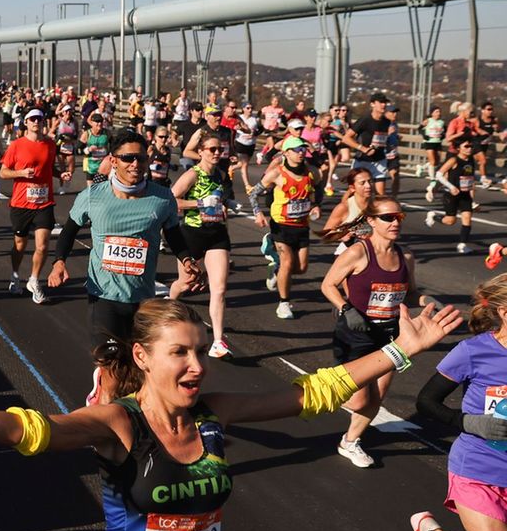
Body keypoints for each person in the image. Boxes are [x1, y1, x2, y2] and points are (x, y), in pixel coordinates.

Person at [0, 297, 461, 531]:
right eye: (181, 353)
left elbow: (313, 393)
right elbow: (31, 430)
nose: (197, 365)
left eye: (200, 351)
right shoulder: (120, 422)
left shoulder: (214, 414)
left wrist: (400, 351)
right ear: (143, 358)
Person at [46, 131, 202, 405]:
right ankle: (105, 430)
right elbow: (69, 232)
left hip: (142, 299)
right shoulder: (93, 196)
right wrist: (59, 263)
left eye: (141, 158)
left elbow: (174, 235)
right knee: (114, 371)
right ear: (112, 160)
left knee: (140, 370)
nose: (135, 164)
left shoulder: (162, 198)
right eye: (127, 158)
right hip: (103, 297)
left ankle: (125, 409)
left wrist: (187, 260)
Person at [321, 197, 438, 468]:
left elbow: (411, 293)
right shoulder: (358, 253)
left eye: (399, 217)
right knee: (359, 398)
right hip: (356, 334)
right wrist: (345, 309)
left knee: (380, 393)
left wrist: (429, 303)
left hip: (390, 335)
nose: (395, 222)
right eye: (388, 217)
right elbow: (328, 285)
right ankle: (328, 392)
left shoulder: (405, 257)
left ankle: (350, 441)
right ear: (372, 221)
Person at [409, 273, 507, 531]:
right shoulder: (474, 351)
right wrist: (469, 422)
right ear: (504, 311)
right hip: (478, 471)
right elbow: (426, 402)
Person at [170, 136, 236, 359]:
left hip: (217, 234)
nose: (217, 153)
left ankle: (217, 341)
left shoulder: (221, 174)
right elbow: (171, 201)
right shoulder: (192, 175)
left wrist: (228, 205)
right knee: (185, 283)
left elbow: (221, 198)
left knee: (219, 288)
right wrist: (199, 204)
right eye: (212, 149)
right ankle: (169, 307)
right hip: (192, 234)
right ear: (201, 151)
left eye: (220, 149)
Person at [252, 136, 321, 319]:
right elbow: (254, 193)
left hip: (302, 226)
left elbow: (316, 191)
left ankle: (275, 269)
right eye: (297, 150)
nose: (301, 153)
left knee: (301, 268)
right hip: (281, 225)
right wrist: (258, 213)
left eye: (303, 150)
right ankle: (283, 304)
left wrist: (315, 205)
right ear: (286, 153)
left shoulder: (312, 172)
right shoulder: (277, 174)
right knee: (288, 263)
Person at [0, 108, 57, 302]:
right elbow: (4, 172)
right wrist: (21, 174)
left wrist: (60, 174)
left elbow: (50, 166)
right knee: (20, 244)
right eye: (33, 119)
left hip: (44, 202)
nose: (36, 122)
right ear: (26, 122)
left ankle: (34, 279)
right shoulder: (16, 145)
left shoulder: (50, 144)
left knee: (42, 245)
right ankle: (15, 275)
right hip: (21, 203)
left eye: (39, 119)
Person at [426, 139, 479, 254]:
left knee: (467, 218)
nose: (469, 148)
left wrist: (473, 198)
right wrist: (450, 187)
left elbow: (470, 179)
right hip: (451, 194)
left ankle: (462, 245)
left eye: (471, 146)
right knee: (450, 221)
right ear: (459, 148)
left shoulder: (471, 160)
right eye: (466, 146)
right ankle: (433, 216)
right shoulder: (454, 160)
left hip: (465, 194)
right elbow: (439, 174)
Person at [342, 92, 394, 195]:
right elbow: (346, 138)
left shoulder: (386, 122)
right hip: (363, 160)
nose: (383, 105)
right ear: (372, 104)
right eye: (380, 102)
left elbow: (382, 140)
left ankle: (374, 210)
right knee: (353, 193)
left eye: (385, 103)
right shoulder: (365, 120)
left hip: (379, 160)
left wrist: (389, 144)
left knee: (380, 195)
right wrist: (363, 149)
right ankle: (344, 209)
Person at [423, 106, 447, 197]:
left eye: (439, 112)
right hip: (429, 143)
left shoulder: (442, 122)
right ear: (432, 113)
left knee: (437, 162)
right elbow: (420, 128)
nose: (438, 113)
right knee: (432, 162)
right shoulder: (428, 120)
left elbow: (446, 131)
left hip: (438, 142)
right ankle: (432, 180)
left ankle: (422, 168)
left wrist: (442, 136)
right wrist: (425, 136)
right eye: (436, 112)